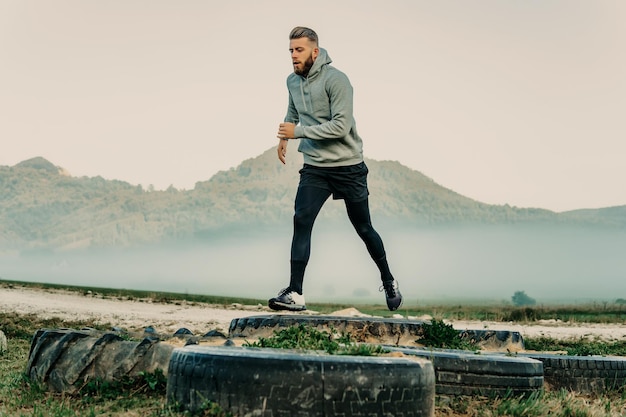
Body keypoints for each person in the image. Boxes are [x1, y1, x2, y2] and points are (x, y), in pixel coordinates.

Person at [269, 26, 403, 312]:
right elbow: (293, 112)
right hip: (315, 167)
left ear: (315, 52)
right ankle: (296, 293)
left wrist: (298, 133)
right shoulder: (292, 81)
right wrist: (284, 137)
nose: (293, 55)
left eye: (299, 50)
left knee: (364, 228)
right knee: (301, 220)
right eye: (291, 50)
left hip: (348, 166)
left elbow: (341, 127)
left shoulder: (337, 80)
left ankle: (388, 279)